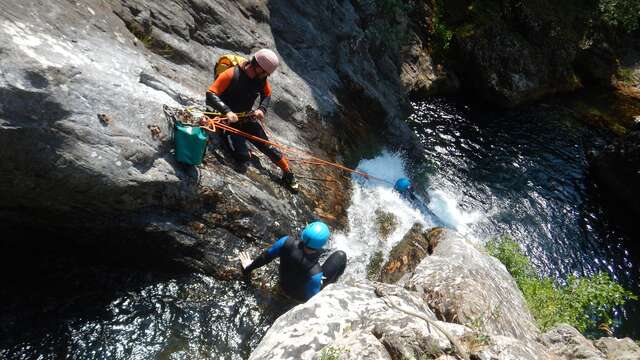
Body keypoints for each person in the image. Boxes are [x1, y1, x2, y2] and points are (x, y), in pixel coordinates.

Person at [204, 49, 297, 189]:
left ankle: (288, 173)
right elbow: (210, 94)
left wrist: (261, 109)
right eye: (265, 73)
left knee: (267, 146)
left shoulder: (261, 79)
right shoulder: (231, 74)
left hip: (246, 117)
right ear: (258, 67)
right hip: (226, 120)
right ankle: (238, 144)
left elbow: (267, 95)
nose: (266, 76)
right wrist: (227, 111)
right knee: (243, 156)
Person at [239, 221, 347, 302]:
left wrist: (248, 267)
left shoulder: (286, 242)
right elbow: (312, 300)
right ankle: (334, 284)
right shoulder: (315, 273)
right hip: (299, 297)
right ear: (323, 244)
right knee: (341, 255)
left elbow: (264, 258)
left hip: (283, 283)